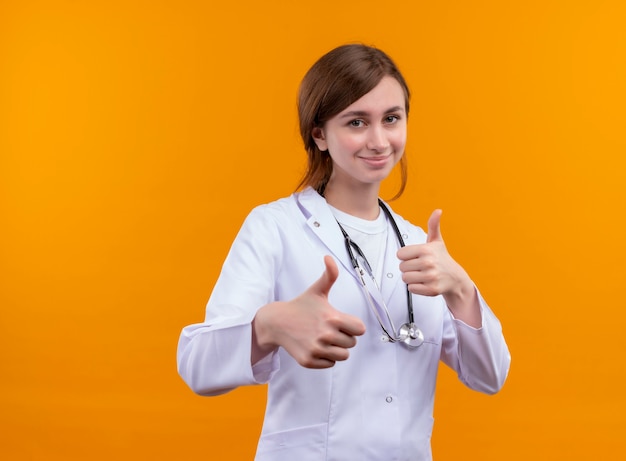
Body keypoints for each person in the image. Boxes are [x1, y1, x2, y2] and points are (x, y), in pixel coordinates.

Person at [177, 43, 510, 461]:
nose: (379, 140)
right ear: (319, 134)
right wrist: (269, 326)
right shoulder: (274, 228)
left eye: (392, 119)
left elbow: (490, 376)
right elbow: (197, 366)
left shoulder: (417, 243)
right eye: (356, 122)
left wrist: (461, 289)